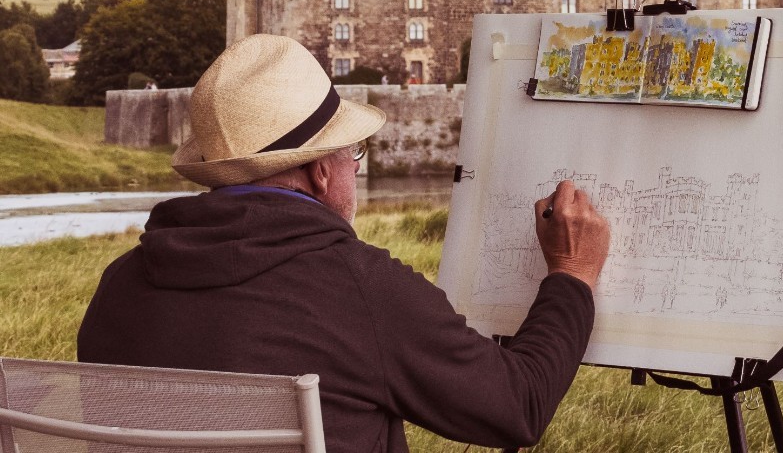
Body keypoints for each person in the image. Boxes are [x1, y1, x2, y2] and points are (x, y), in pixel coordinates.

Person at [78, 34, 610, 453]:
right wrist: (572, 273)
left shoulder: (121, 282)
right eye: (352, 154)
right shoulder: (362, 289)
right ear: (319, 173)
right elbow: (517, 408)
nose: (355, 168)